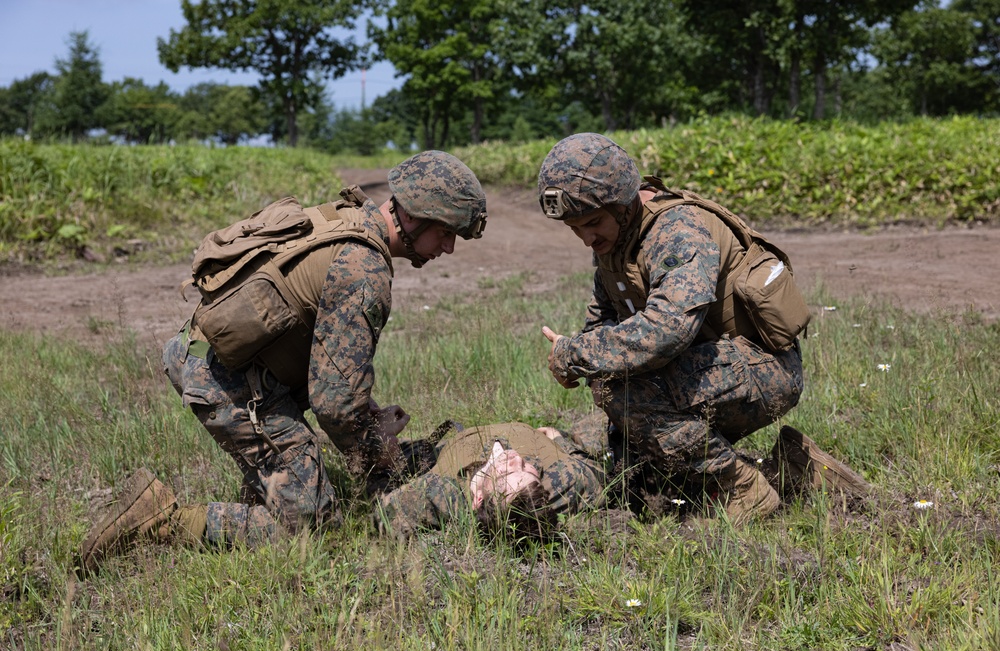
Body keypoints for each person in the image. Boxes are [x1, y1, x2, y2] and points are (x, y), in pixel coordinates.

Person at [78, 151, 488, 572]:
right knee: (312, 528)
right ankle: (160, 519)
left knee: (306, 483)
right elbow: (334, 406)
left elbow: (325, 364)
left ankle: (267, 489)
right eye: (445, 232)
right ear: (416, 216)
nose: (450, 247)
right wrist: (380, 452)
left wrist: (364, 415)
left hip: (218, 359)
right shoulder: (364, 271)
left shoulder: (344, 217)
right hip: (227, 380)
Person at [535, 133, 869, 524]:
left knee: (623, 394)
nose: (586, 239)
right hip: (711, 368)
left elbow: (667, 330)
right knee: (638, 469)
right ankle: (793, 469)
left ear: (623, 203)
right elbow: (602, 322)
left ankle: (743, 486)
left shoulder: (677, 231)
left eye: (592, 223)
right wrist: (581, 351)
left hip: (763, 368)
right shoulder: (617, 242)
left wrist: (576, 354)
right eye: (575, 229)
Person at [375, 420, 609, 540]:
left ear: (478, 499)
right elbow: (596, 474)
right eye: (527, 468)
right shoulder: (558, 483)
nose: (515, 459)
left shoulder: (446, 493)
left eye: (507, 473)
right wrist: (559, 440)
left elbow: (386, 515)